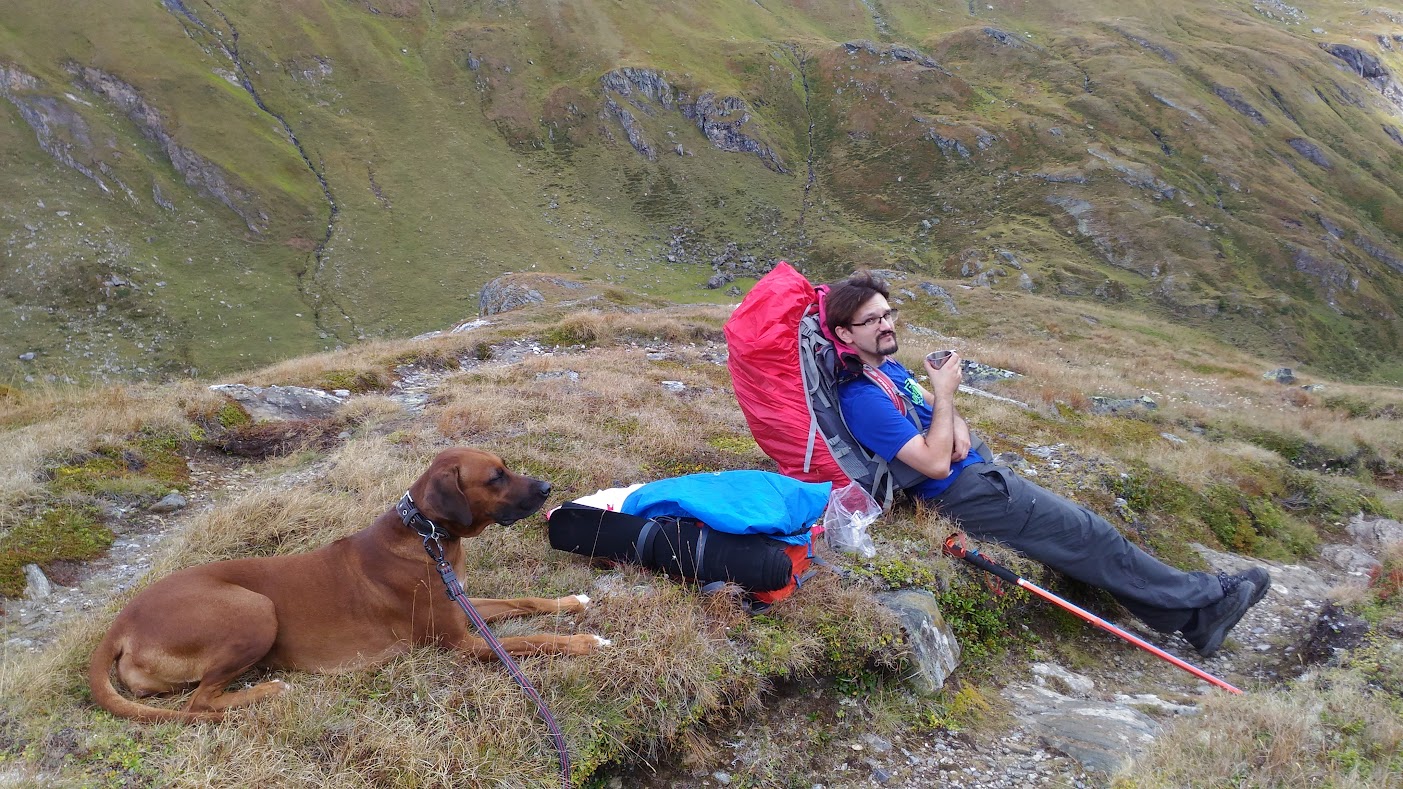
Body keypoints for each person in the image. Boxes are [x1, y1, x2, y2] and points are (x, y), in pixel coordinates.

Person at [824, 270, 1270, 657]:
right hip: (963, 493)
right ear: (845, 334)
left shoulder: (889, 371)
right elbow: (936, 465)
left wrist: (949, 415)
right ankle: (1209, 599)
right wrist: (945, 395)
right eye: (872, 321)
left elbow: (942, 426)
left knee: (1085, 545)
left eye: (887, 314)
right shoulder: (862, 397)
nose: (885, 325)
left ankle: (1197, 622)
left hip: (979, 475)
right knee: (1092, 534)